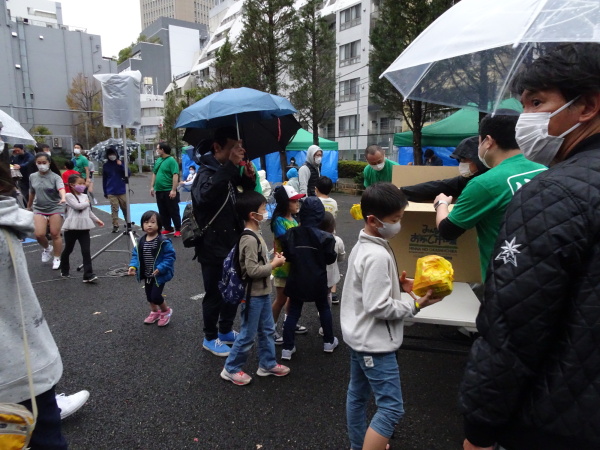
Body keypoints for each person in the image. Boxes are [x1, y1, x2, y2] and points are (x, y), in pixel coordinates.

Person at [459, 43, 600, 450]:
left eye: (537, 102)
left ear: (587, 106)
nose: (527, 119)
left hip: (557, 419)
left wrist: (480, 425)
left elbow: (513, 328)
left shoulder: (553, 192)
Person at [341, 182, 443, 450]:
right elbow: (378, 306)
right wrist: (416, 305)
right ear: (373, 220)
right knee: (391, 409)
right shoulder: (376, 255)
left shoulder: (365, 245)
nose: (399, 224)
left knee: (358, 396)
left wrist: (399, 287)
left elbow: (367, 292)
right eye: (395, 220)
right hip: (375, 344)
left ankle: (359, 443)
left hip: (359, 336)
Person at [0, 161, 68, 448]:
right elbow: (30, 210)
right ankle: (51, 255)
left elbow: (56, 199)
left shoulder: (51, 178)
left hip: (23, 366)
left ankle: (54, 256)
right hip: (23, 366)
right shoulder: (9, 215)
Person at [434, 111, 547, 281]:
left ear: (487, 141)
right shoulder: (545, 170)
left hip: (506, 278)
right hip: (546, 271)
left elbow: (448, 230)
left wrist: (441, 203)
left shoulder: (485, 184)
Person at [192, 126, 256, 357]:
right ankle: (210, 337)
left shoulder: (224, 170)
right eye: (233, 147)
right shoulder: (205, 173)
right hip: (211, 245)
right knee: (214, 293)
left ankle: (226, 330)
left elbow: (242, 197)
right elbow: (205, 199)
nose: (239, 151)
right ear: (217, 148)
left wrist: (247, 178)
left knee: (233, 290)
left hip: (232, 241)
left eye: (240, 146)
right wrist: (230, 166)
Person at [220, 191, 289, 385]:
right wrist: (274, 265)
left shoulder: (256, 234)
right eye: (263, 209)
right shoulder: (249, 239)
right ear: (253, 215)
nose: (266, 212)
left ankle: (267, 364)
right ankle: (230, 368)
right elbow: (251, 271)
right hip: (253, 295)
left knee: (267, 329)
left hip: (263, 292)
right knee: (248, 334)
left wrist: (272, 260)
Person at [280, 196, 338, 360]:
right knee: (324, 309)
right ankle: (328, 342)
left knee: (293, 313)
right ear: (320, 214)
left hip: (297, 278)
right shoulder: (325, 237)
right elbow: (330, 259)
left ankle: (287, 348)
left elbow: (288, 256)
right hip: (317, 280)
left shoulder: (291, 234)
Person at [270, 185, 308, 344]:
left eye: (298, 200)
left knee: (292, 297)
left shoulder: (294, 219)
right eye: (293, 201)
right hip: (282, 268)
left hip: (294, 267)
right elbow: (288, 240)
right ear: (285, 203)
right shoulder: (279, 221)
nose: (297, 203)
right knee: (280, 299)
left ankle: (289, 322)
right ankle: (270, 329)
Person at [400, 136, 488, 202]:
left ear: (478, 159)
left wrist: (442, 204)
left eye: (464, 159)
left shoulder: (487, 182)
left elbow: (450, 224)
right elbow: (439, 186)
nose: (462, 164)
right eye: (460, 160)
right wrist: (403, 192)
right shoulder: (467, 180)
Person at [128, 210, 175, 327]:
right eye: (146, 222)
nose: (149, 225)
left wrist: (161, 268)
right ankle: (154, 312)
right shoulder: (140, 241)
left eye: (153, 222)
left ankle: (165, 311)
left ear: (159, 224)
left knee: (156, 296)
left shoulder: (163, 241)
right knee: (149, 297)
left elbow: (170, 257)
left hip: (159, 274)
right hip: (147, 273)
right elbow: (135, 255)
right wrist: (133, 266)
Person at [60, 174, 104, 282]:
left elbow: (88, 211)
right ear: (72, 185)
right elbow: (77, 206)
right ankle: (64, 269)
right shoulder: (68, 196)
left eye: (83, 183)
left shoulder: (85, 197)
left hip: (84, 228)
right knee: (68, 249)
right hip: (71, 228)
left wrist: (97, 220)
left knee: (86, 250)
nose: (82, 186)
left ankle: (88, 275)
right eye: (79, 184)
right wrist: (86, 203)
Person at [27, 153, 66, 270]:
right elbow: (32, 192)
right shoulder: (32, 176)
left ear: (49, 163)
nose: (42, 165)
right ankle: (47, 248)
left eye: (44, 163)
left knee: (55, 233)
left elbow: (61, 188)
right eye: (39, 163)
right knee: (39, 234)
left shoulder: (55, 177)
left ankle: (57, 258)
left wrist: (63, 197)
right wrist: (28, 206)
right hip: (39, 207)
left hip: (55, 207)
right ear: (35, 163)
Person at [151, 143, 181, 237]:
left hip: (168, 189)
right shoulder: (159, 160)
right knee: (162, 210)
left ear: (162, 150)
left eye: (158, 148)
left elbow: (175, 175)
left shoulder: (171, 161)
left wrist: (173, 190)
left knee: (173, 210)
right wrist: (152, 186)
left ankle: (178, 229)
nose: (157, 150)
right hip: (159, 190)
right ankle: (168, 228)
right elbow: (154, 173)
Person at [319, 211, 345, 305]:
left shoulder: (313, 238)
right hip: (330, 274)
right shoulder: (337, 240)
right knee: (328, 293)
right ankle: (326, 311)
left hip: (315, 273)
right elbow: (341, 257)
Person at [102, 146, 128, 233]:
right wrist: (105, 191)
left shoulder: (121, 163)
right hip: (111, 191)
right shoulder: (106, 166)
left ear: (116, 154)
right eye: (110, 154)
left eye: (113, 154)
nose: (111, 156)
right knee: (114, 208)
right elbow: (104, 179)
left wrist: (121, 166)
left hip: (122, 190)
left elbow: (128, 173)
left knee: (125, 207)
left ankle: (128, 222)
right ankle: (115, 225)